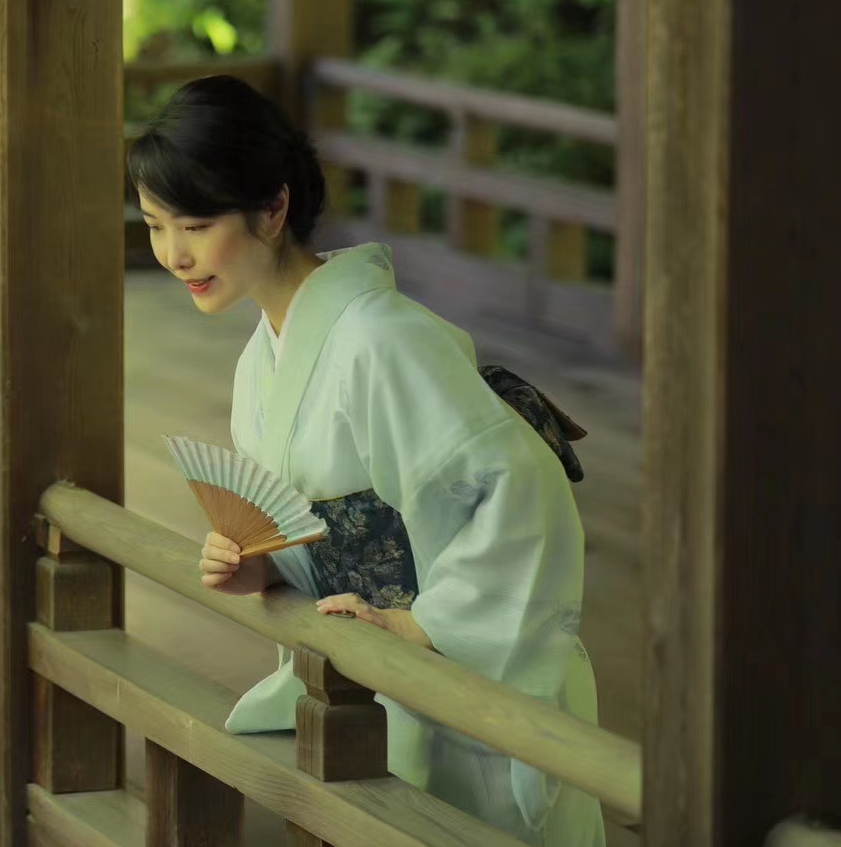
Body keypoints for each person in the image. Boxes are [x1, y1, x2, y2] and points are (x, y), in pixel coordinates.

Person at [128, 75, 605, 846]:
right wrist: (268, 567)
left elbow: (521, 491)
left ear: (273, 210)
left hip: (452, 669)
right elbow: (326, 523)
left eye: (197, 224)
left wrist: (423, 624)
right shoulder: (262, 359)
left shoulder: (381, 340)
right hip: (373, 677)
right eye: (155, 226)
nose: (174, 254)